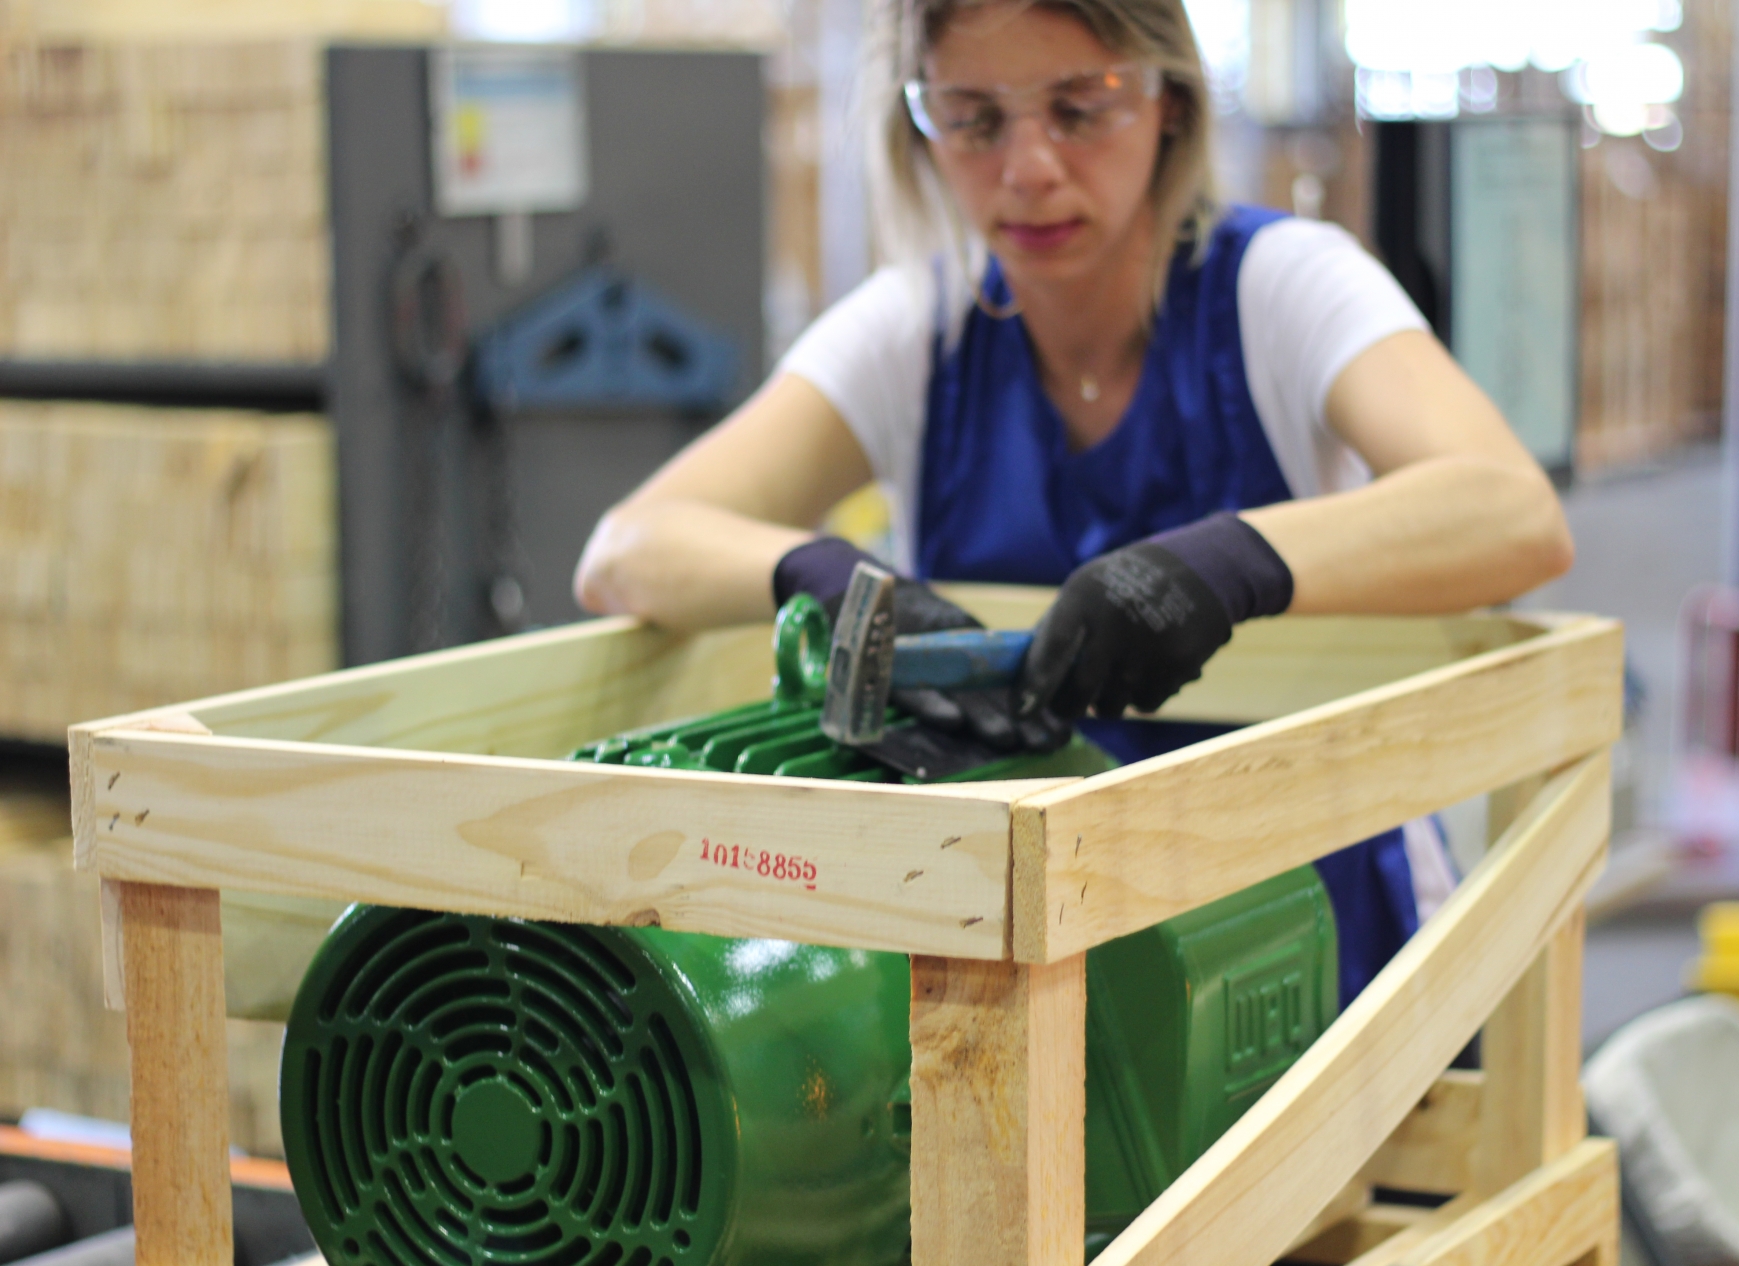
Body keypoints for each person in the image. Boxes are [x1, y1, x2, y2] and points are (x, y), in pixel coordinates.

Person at [573, 0, 1574, 1005]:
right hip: (1041, 961)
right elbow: (627, 546)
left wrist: (1219, 567)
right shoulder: (916, 331)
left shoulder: (1283, 286)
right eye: (973, 116)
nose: (1028, 168)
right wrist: (820, 575)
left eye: (1079, 107)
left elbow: (1509, 512)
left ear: (1167, 103)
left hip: (1324, 929)